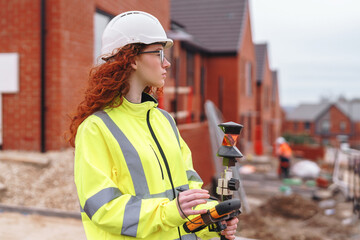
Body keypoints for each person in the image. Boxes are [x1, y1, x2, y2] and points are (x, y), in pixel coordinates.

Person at [68, 11, 238, 240]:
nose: (167, 63)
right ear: (132, 59)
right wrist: (170, 211)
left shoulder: (164, 121)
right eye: (158, 53)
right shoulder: (96, 128)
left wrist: (212, 220)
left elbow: (189, 194)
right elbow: (102, 208)